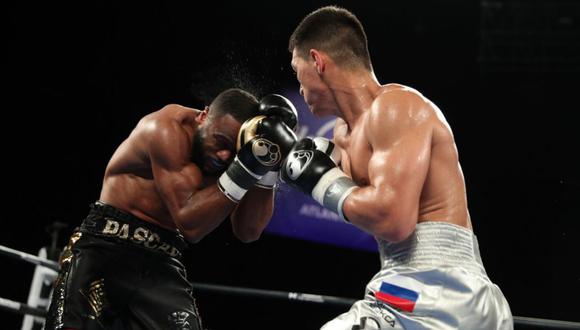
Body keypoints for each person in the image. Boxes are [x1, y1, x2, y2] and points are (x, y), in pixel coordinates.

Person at [283, 6, 513, 330]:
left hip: (442, 290)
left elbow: (393, 220)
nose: (301, 89)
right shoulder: (342, 135)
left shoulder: (395, 107)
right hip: (406, 286)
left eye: (297, 72)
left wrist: (320, 180)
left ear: (317, 61)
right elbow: (364, 207)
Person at [45, 88, 298, 330]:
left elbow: (249, 231)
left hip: (162, 258)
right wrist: (245, 167)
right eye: (219, 141)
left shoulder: (239, 155)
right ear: (203, 115)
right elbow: (190, 224)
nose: (223, 156)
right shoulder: (166, 128)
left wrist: (268, 166)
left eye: (233, 152)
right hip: (103, 245)